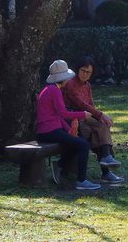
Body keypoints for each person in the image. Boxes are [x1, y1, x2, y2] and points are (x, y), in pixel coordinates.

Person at [36, 59, 101, 191]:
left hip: (50, 130)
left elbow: (58, 115)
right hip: (48, 131)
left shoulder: (50, 89)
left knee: (77, 142)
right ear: (64, 78)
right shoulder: (54, 91)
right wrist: (82, 114)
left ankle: (59, 165)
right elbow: (64, 113)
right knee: (83, 144)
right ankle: (81, 180)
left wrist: (69, 130)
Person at [63, 56, 124, 185]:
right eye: (83, 70)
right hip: (73, 118)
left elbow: (90, 104)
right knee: (95, 134)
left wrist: (100, 117)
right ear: (78, 69)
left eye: (88, 72)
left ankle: (107, 159)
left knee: (102, 126)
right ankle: (106, 171)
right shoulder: (70, 84)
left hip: (85, 117)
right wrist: (101, 115)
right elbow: (80, 104)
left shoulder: (88, 85)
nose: (85, 74)